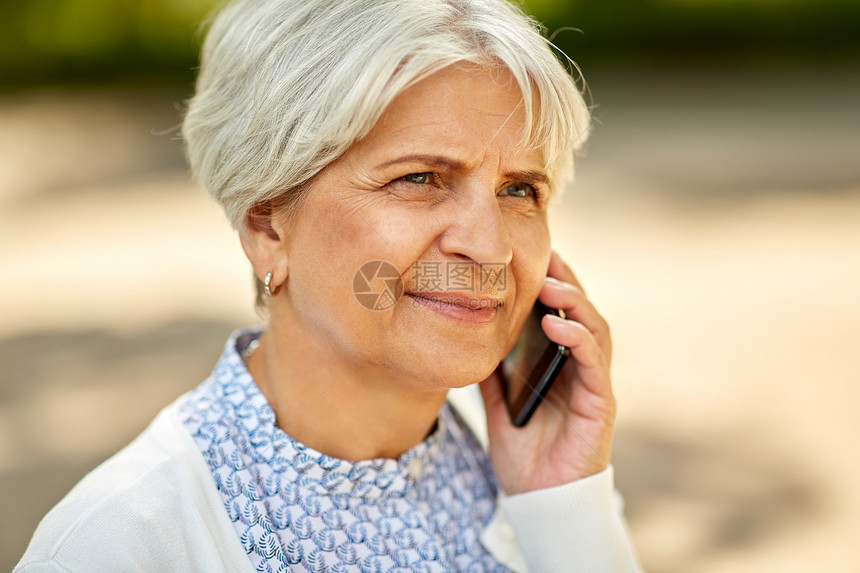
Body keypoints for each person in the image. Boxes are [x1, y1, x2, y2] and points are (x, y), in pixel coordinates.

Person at [15, 0, 642, 571]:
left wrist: (564, 508)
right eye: (420, 177)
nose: (492, 246)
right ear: (267, 228)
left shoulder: (541, 488)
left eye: (519, 190)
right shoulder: (120, 542)